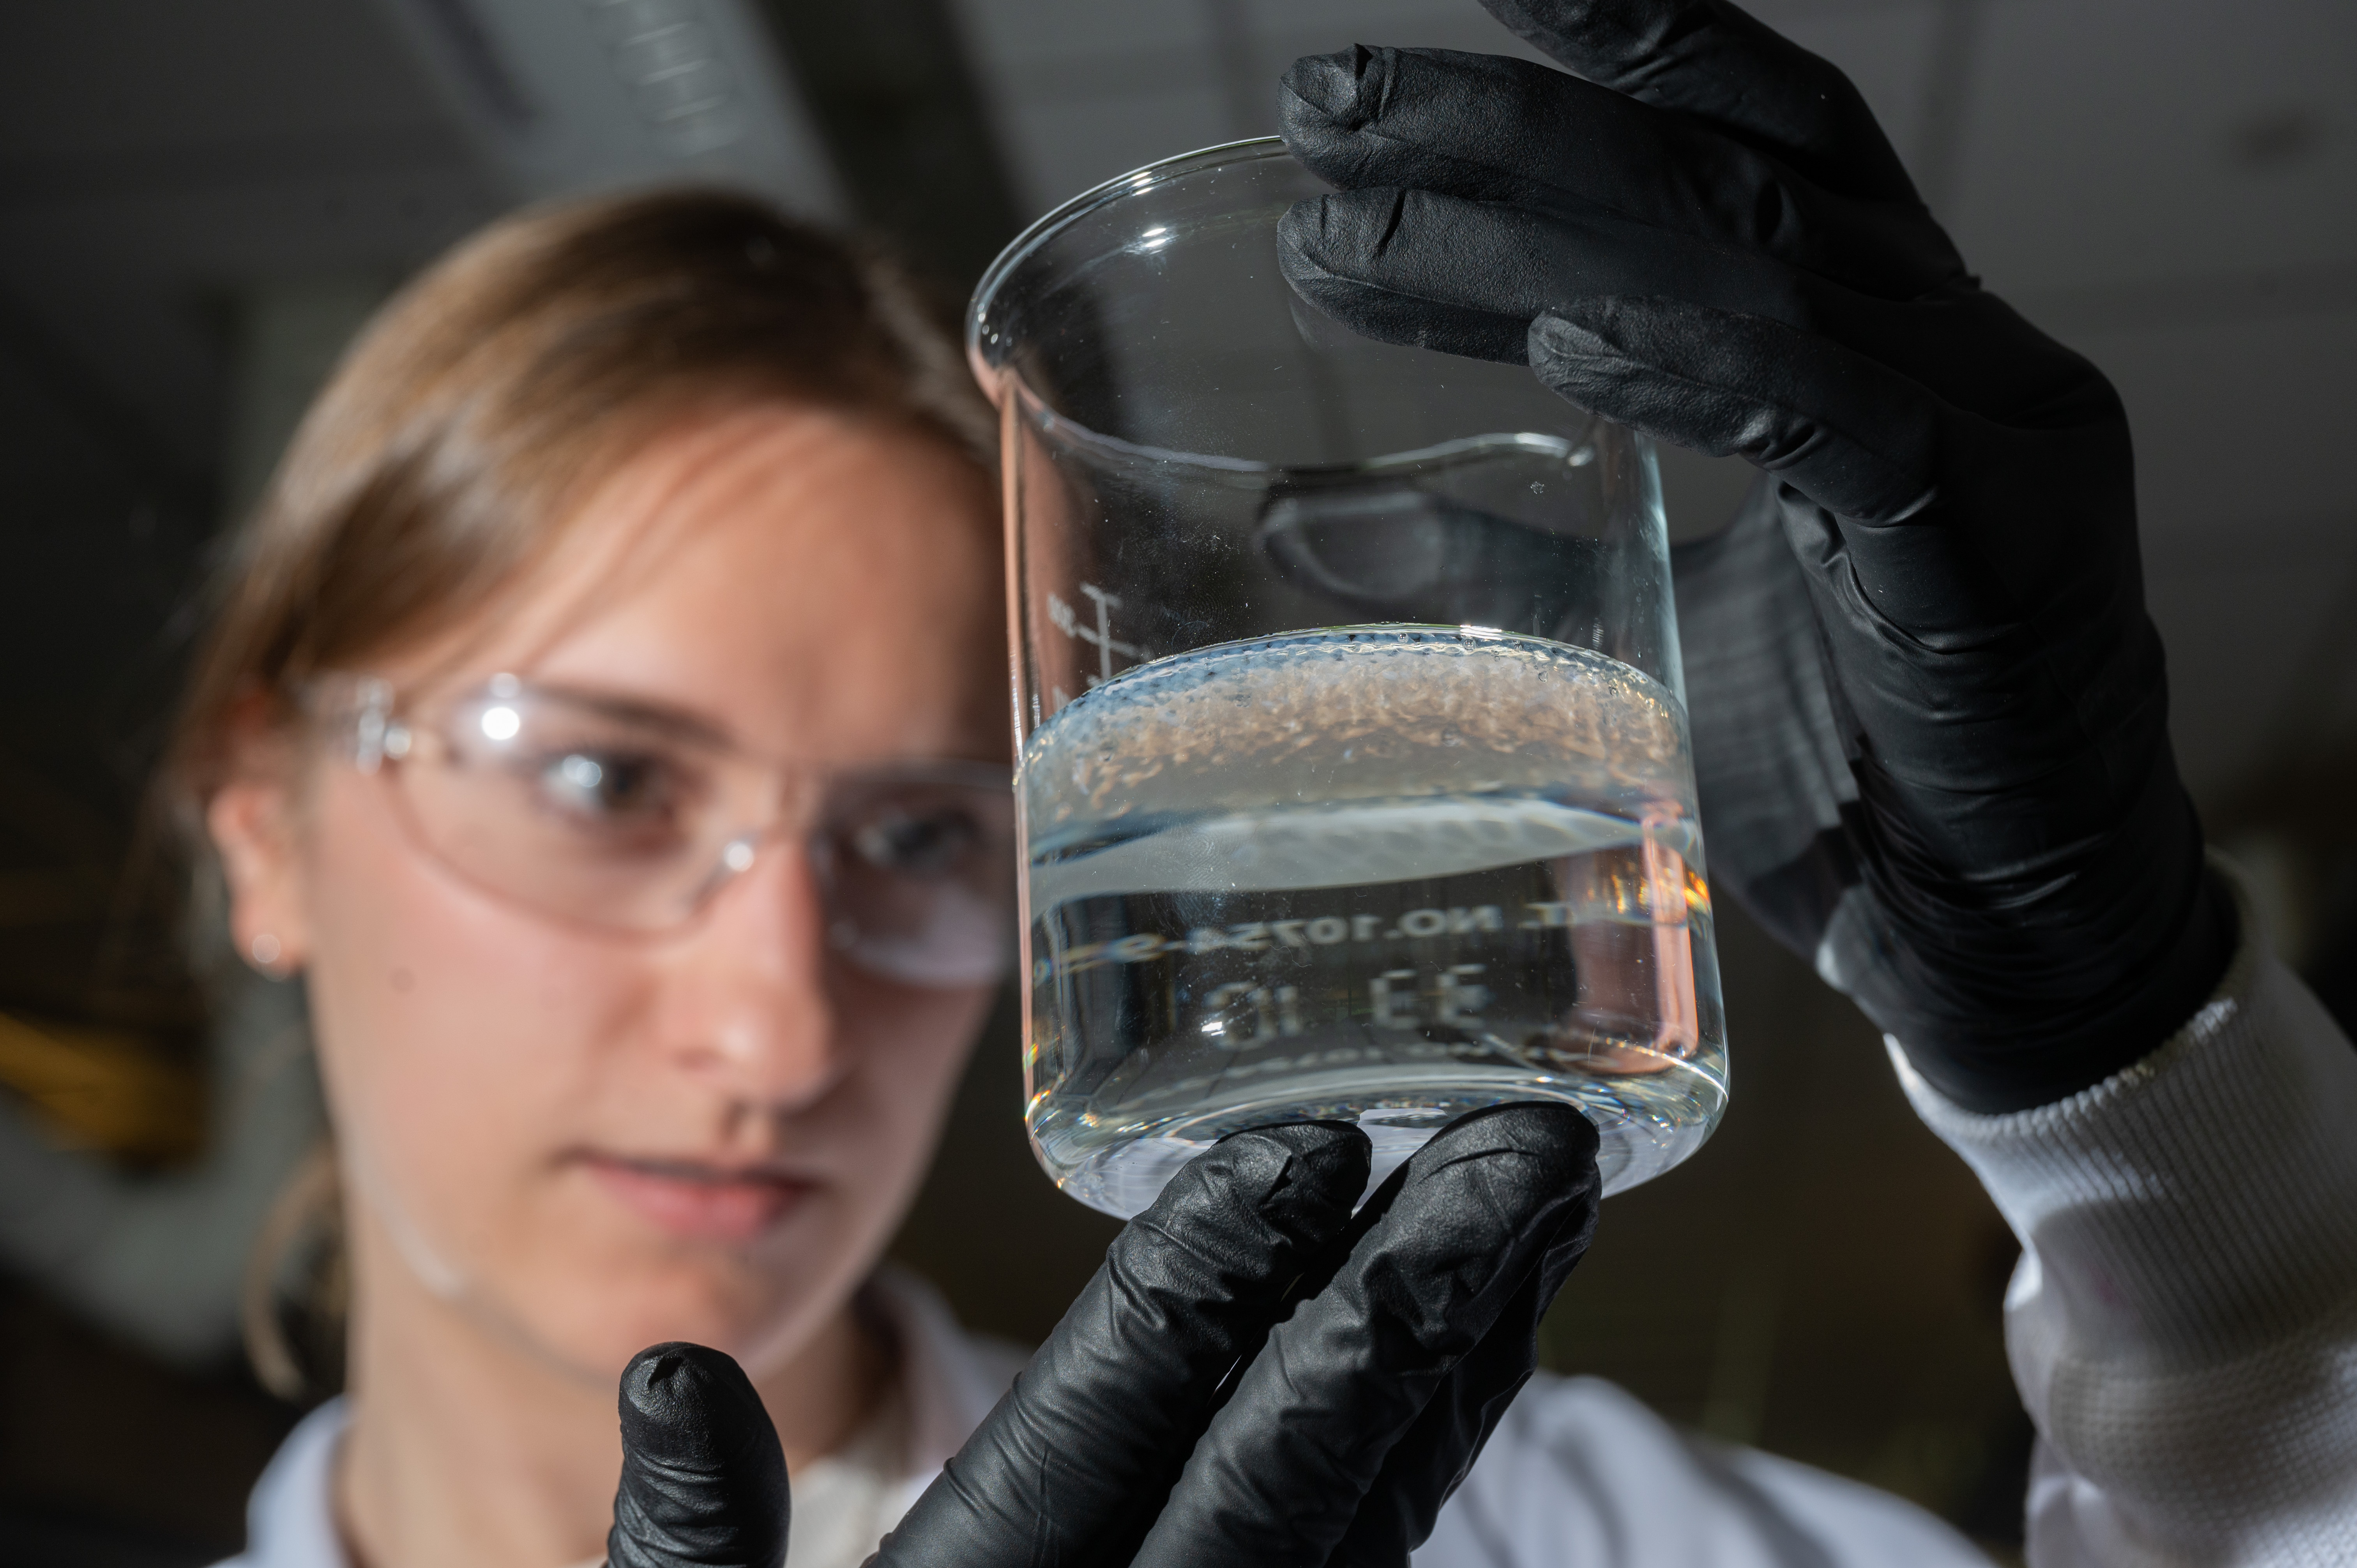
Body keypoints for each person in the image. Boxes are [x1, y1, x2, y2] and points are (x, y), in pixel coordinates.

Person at [173, 7, 2357, 1568]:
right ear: (256, 816)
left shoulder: (1514, 1512)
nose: (781, 1027)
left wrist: (2147, 1108)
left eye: (928, 832)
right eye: (602, 777)